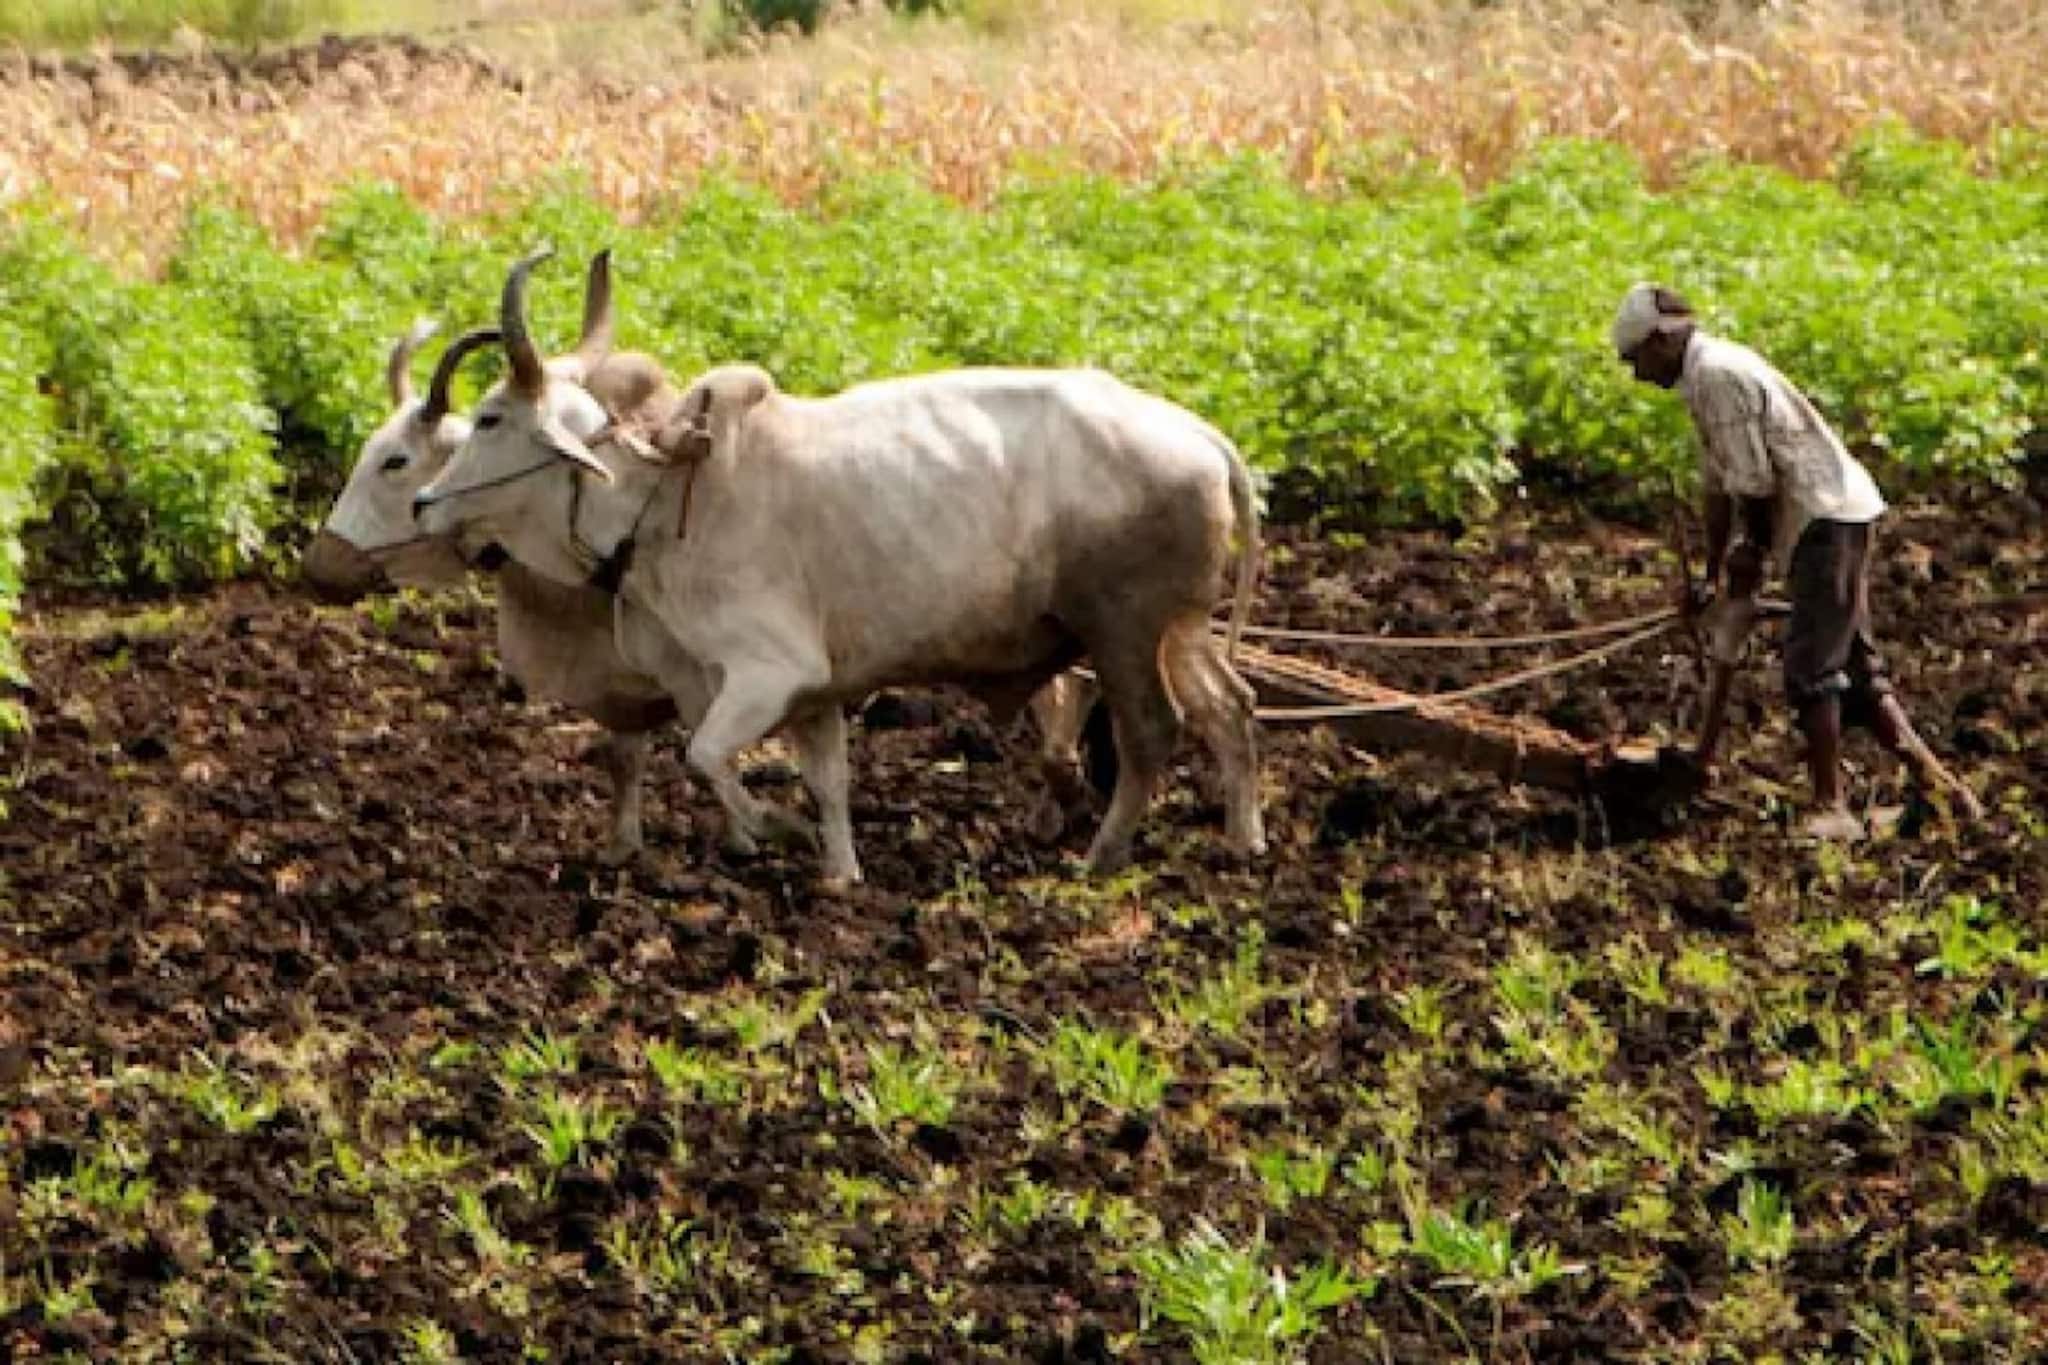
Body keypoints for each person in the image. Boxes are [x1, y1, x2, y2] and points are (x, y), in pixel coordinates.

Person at [1611, 282, 1982, 840]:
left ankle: (1831, 808)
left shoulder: (1717, 375)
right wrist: (1712, 573)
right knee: (1857, 670)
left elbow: (1755, 484)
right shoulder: (1704, 378)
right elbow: (1721, 487)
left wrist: (1750, 553)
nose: (1636, 375)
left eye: (1635, 359)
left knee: (1812, 669)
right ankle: (1942, 792)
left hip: (1823, 519)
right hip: (1832, 516)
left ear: (1662, 342)